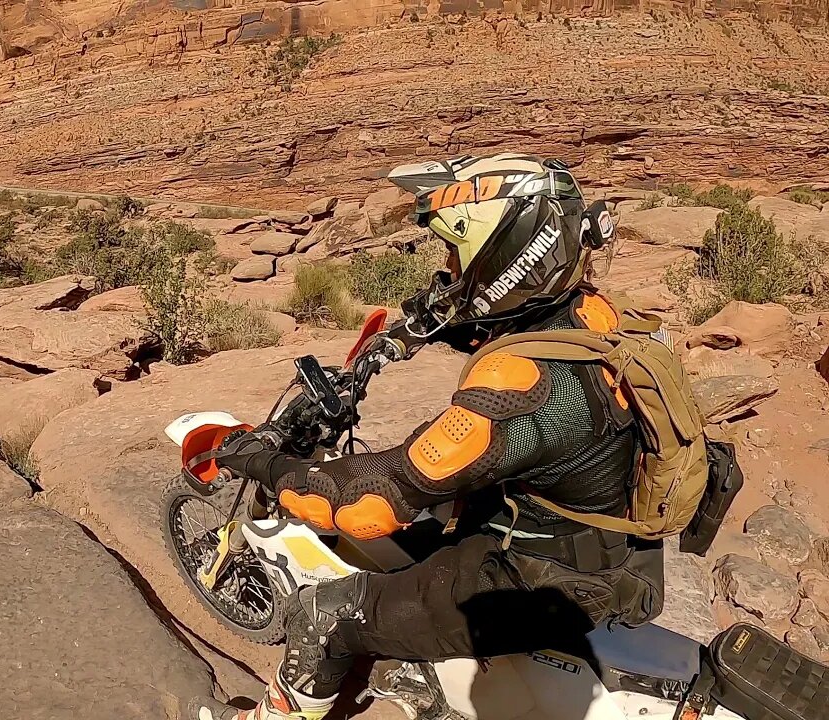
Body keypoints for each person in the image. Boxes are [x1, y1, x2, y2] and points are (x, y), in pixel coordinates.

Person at [191, 154, 667, 720]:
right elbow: (470, 313)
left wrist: (267, 463)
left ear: (506, 248)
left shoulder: (521, 383)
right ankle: (421, 673)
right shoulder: (588, 315)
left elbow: (369, 502)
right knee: (419, 544)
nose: (450, 265)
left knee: (326, 613)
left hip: (537, 578)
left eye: (457, 250)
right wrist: (405, 334)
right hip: (606, 547)